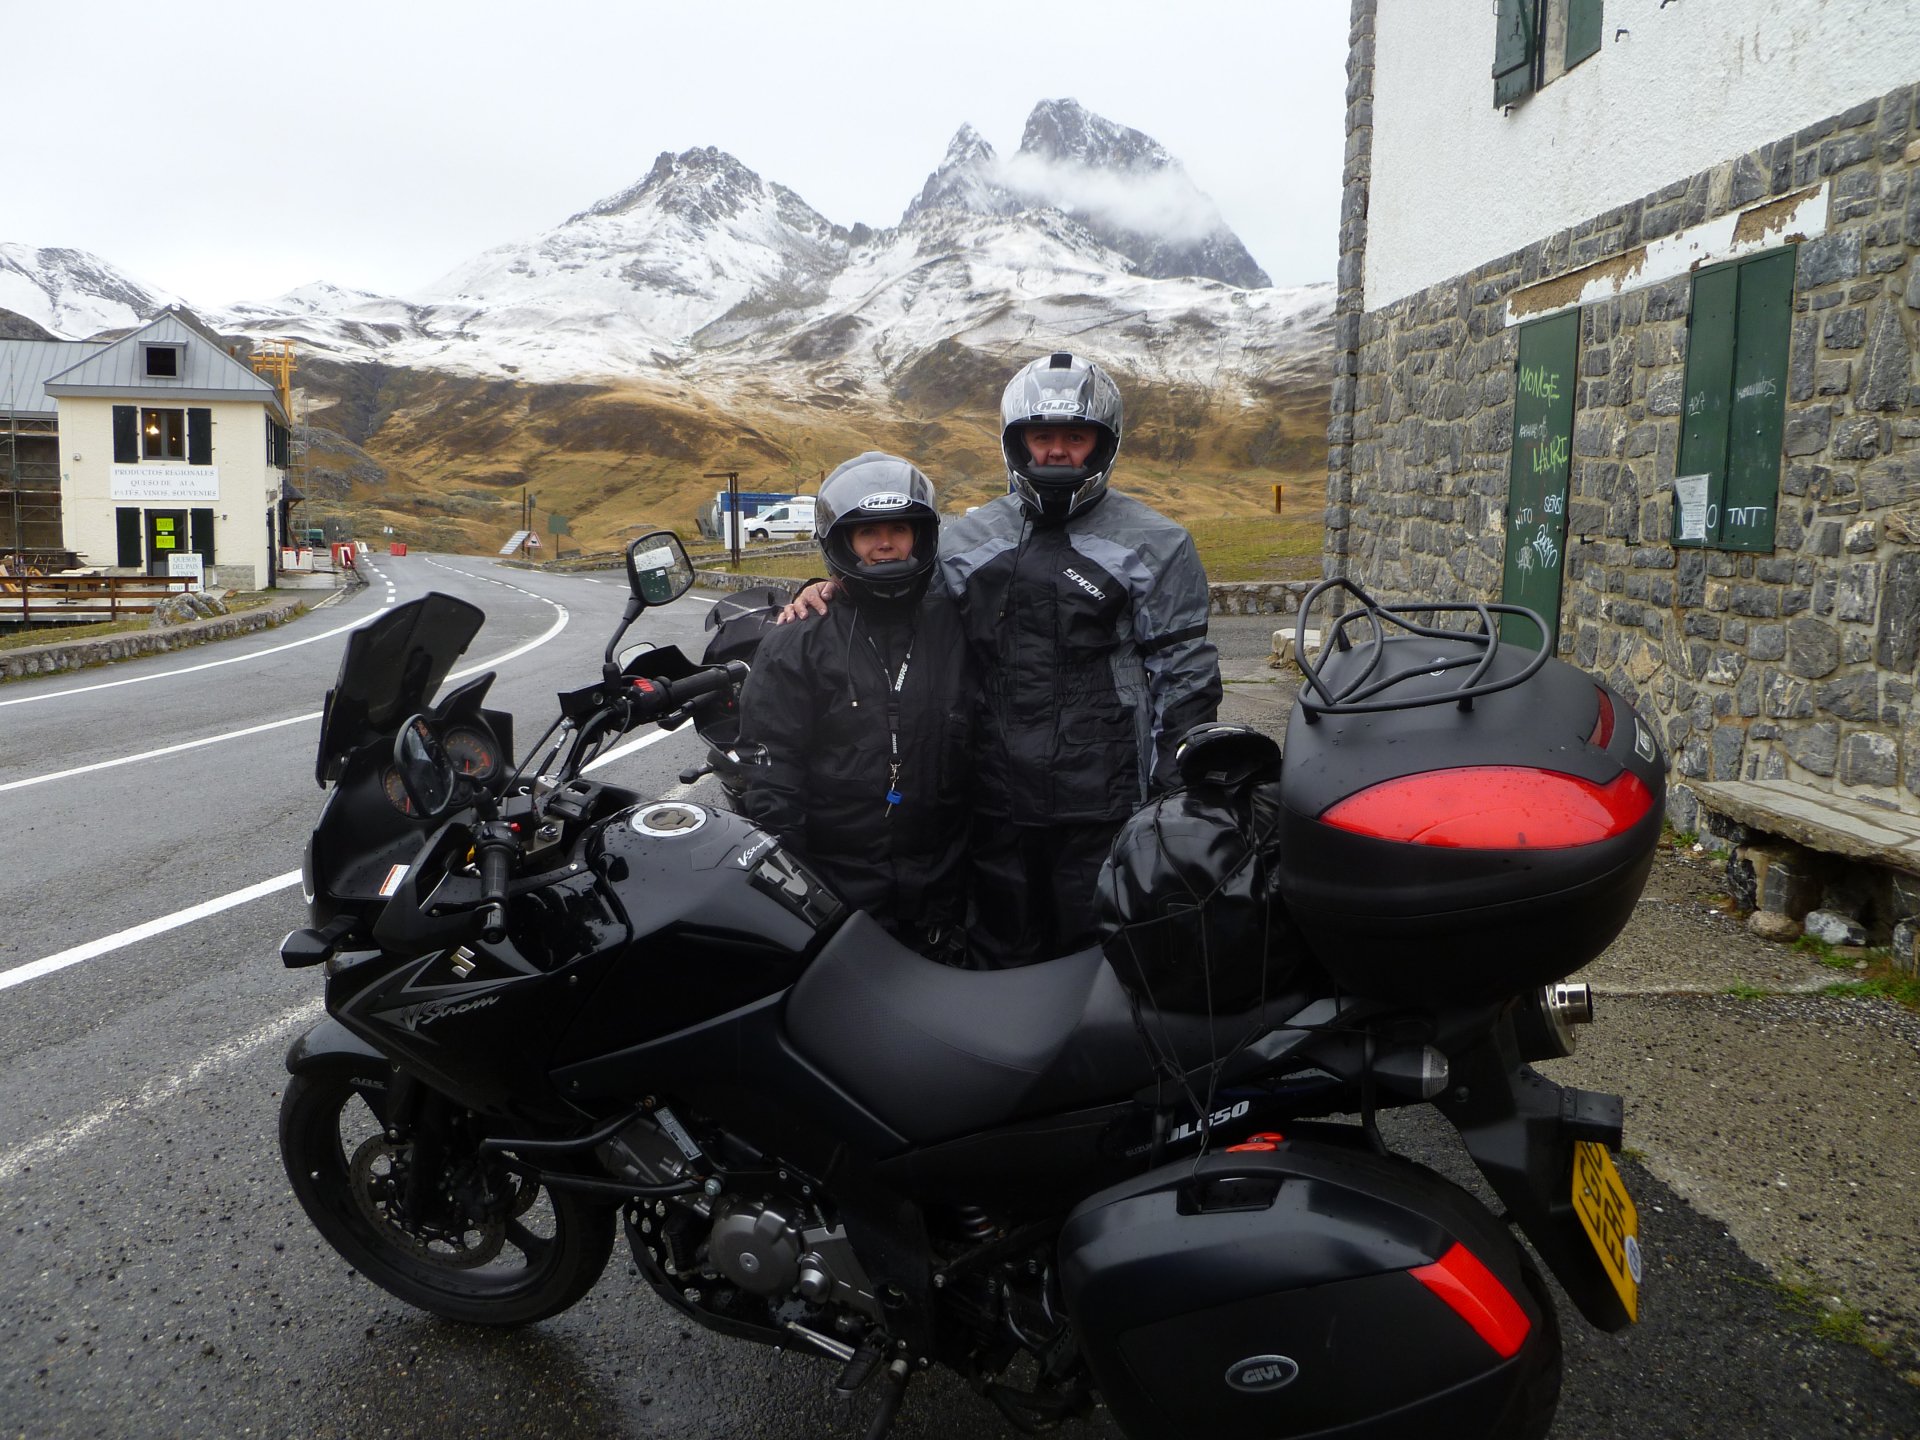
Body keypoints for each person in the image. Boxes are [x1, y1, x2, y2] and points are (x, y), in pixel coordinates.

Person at [789, 353, 1222, 965]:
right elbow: (897, 600)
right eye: (1041, 436)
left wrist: (1172, 795)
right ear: (1015, 442)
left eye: (1076, 437)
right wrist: (827, 585)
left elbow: (1186, 677)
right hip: (990, 796)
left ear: (1104, 444)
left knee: (1099, 956)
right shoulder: (968, 539)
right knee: (997, 953)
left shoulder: (1158, 542)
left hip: (1103, 801)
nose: (1057, 452)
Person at [735, 453, 973, 959]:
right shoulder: (796, 640)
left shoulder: (961, 625)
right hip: (838, 893)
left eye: (898, 529)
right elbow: (772, 776)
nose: (885, 542)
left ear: (921, 534)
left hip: (946, 888)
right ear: (843, 543)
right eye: (867, 533)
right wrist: (797, 895)